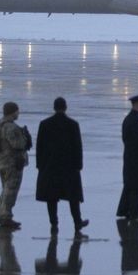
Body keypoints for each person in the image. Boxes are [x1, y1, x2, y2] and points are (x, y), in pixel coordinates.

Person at [35, 97, 89, 237]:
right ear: (65, 107)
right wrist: (79, 165)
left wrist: (40, 165)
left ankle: (54, 223)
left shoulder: (44, 124)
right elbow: (78, 147)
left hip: (50, 167)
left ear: (54, 107)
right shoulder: (73, 124)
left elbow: (39, 147)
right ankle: (77, 222)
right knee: (73, 197)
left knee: (51, 197)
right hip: (69, 167)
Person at [0, 101, 32, 230]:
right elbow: (18, 145)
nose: (18, 113)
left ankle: (3, 214)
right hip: (12, 163)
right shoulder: (11, 127)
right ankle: (6, 217)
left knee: (5, 189)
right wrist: (25, 137)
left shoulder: (0, 124)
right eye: (17, 111)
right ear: (13, 112)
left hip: (2, 162)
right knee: (10, 190)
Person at [116, 94, 138, 222]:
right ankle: (136, 213)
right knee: (136, 186)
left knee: (130, 185)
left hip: (130, 156)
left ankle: (125, 210)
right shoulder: (135, 120)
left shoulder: (129, 119)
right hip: (136, 157)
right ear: (137, 104)